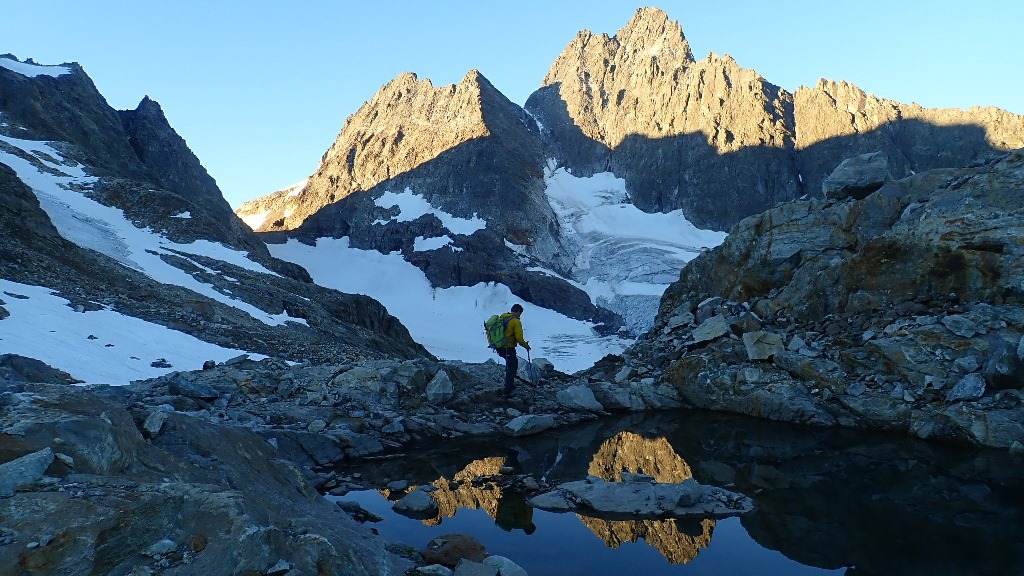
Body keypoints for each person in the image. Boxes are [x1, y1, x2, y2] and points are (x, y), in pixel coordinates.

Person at [496, 303, 530, 398]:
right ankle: (508, 391)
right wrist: (526, 346)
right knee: (512, 367)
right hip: (509, 347)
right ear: (518, 311)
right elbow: (519, 338)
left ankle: (508, 385)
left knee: (509, 365)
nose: (520, 315)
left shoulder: (503, 317)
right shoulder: (516, 322)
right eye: (520, 313)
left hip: (500, 347)